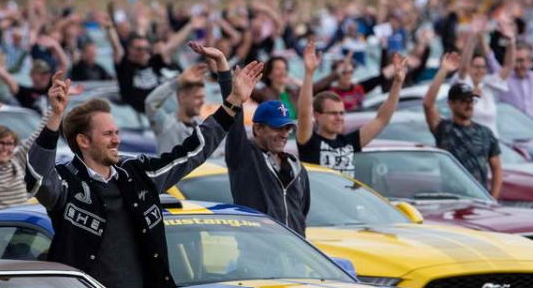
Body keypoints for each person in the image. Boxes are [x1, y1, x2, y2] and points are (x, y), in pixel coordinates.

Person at [25, 61, 264, 288]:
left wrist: (233, 101)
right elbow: (37, 178)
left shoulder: (137, 174)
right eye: (108, 134)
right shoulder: (67, 181)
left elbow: (192, 152)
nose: (116, 140)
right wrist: (55, 117)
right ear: (84, 141)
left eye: (117, 132)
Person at [296, 40, 405, 177]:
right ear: (317, 116)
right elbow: (304, 112)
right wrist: (309, 73)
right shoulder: (309, 142)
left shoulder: (349, 142)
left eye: (341, 113)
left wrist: (397, 83)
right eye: (333, 113)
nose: (339, 117)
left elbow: (382, 119)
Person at [224, 98, 310, 236]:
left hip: (295, 253)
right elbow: (234, 124)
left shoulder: (297, 168)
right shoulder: (244, 157)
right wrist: (234, 92)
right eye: (277, 128)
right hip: (258, 252)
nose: (284, 134)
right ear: (257, 129)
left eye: (287, 128)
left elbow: (302, 212)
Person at [424, 52, 503, 197]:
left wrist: (493, 198)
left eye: (471, 100)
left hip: (479, 199)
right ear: (451, 104)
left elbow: (497, 168)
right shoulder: (444, 129)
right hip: (451, 198)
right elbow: (428, 104)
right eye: (463, 101)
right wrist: (444, 71)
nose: (469, 105)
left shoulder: (485, 133)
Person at [144, 43, 233, 154]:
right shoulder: (165, 124)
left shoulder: (203, 127)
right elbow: (151, 103)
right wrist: (179, 81)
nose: (202, 102)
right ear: (182, 97)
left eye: (202, 97)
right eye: (197, 97)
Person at [453, 20, 512, 137]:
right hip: (471, 142)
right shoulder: (463, 83)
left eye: (483, 67)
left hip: (492, 145)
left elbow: (508, 67)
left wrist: (511, 42)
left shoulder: (487, 85)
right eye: (476, 67)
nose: (480, 70)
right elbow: (464, 66)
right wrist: (472, 37)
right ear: (470, 67)